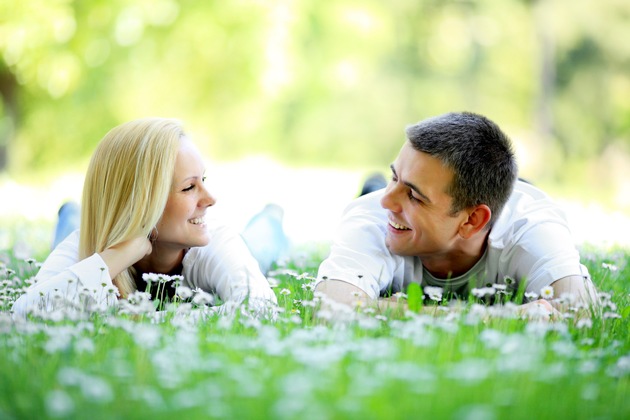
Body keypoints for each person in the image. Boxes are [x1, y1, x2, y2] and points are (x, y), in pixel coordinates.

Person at [315, 112, 598, 317]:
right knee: (373, 193)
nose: (387, 202)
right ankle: (377, 182)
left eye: (413, 195)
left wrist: (384, 309)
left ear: (472, 221)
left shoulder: (531, 228)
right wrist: (498, 318)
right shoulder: (371, 215)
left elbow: (585, 315)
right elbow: (330, 308)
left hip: (508, 202)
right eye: (394, 177)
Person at [13, 118, 278, 317]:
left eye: (203, 180)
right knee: (73, 233)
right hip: (99, 230)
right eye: (189, 187)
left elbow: (259, 307)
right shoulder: (87, 243)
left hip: (237, 244)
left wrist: (144, 323)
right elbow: (24, 315)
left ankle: (271, 218)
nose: (211, 198)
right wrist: (119, 255)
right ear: (139, 205)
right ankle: (70, 213)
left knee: (260, 247)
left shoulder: (215, 242)